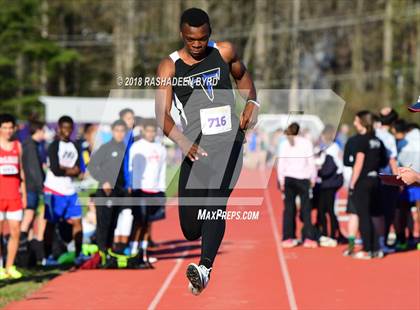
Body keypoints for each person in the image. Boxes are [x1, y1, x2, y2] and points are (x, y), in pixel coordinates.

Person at [155, 8, 258, 295]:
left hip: (229, 143)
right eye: (191, 39)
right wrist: (184, 143)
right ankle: (204, 246)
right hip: (194, 149)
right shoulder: (170, 66)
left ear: (209, 34)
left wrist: (252, 103)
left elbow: (244, 79)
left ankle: (204, 268)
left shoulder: (224, 52)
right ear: (182, 35)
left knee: (215, 203)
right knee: (190, 228)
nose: (197, 44)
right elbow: (161, 116)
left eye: (202, 38)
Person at [88, 120, 142, 266]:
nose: (119, 133)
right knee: (103, 225)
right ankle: (101, 254)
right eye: (117, 130)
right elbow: (92, 166)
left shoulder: (125, 149)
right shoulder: (105, 148)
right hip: (105, 193)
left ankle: (109, 252)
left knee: (113, 224)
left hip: (119, 192)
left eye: (122, 131)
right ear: (112, 131)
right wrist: (104, 180)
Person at [43, 116, 84, 265]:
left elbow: (79, 169)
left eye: (69, 128)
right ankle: (47, 257)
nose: (66, 131)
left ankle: (79, 254)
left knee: (78, 221)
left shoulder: (75, 146)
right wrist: (70, 170)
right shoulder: (54, 145)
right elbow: (55, 169)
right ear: (59, 128)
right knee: (51, 224)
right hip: (54, 190)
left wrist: (69, 170)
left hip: (70, 190)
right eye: (63, 128)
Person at [349, 111, 388, 259]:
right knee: (374, 214)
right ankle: (377, 248)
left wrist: (352, 183)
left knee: (363, 215)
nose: (354, 123)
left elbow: (358, 163)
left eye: (356, 120)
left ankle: (367, 249)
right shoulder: (378, 141)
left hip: (363, 182)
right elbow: (384, 161)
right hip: (376, 181)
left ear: (362, 122)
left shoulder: (361, 141)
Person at [129, 119, 166, 264]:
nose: (150, 134)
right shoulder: (136, 147)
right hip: (140, 189)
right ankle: (133, 252)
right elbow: (130, 168)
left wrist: (161, 189)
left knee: (149, 223)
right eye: (148, 131)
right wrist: (132, 186)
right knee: (139, 222)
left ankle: (143, 253)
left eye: (153, 131)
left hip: (155, 190)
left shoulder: (160, 148)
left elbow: (161, 170)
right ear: (143, 131)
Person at [278, 123, 318, 248]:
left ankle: (288, 237)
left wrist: (281, 181)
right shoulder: (306, 143)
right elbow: (311, 162)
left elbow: (281, 163)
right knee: (306, 209)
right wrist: (313, 177)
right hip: (303, 179)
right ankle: (308, 238)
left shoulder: (284, 144)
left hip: (289, 178)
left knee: (289, 209)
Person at [0, 114, 26, 280]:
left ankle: (10, 266)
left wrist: (23, 192)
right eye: (4, 128)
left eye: (10, 128)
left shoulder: (18, 145)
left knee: (15, 232)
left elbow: (21, 170)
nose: (8, 131)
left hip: (14, 196)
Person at [19, 120, 46, 265]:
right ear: (39, 131)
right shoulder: (30, 146)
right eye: (43, 130)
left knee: (30, 221)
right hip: (31, 188)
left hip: (32, 188)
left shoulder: (33, 145)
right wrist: (41, 188)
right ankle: (21, 251)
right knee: (28, 219)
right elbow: (33, 169)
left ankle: (27, 256)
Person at [315, 125, 344, 247]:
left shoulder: (332, 148)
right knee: (324, 209)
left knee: (328, 210)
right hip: (327, 182)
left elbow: (332, 167)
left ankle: (331, 234)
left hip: (330, 182)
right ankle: (326, 233)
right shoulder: (325, 147)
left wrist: (319, 170)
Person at [375, 108, 399, 253]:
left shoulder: (373, 132)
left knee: (374, 210)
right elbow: (392, 160)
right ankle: (381, 242)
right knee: (387, 211)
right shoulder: (389, 138)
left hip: (371, 176)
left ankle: (374, 241)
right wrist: (398, 180)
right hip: (386, 178)